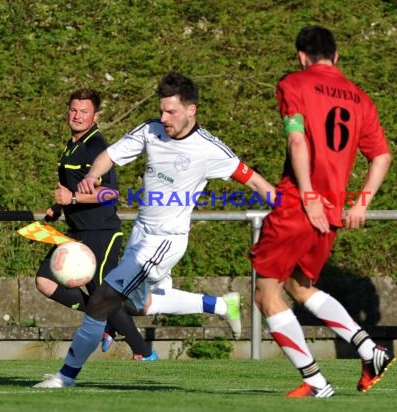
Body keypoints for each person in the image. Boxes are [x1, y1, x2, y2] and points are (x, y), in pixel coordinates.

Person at [33, 72, 275, 388]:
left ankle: (66, 377)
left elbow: (256, 181)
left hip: (165, 240)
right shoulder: (151, 130)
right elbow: (109, 155)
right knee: (137, 306)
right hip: (141, 234)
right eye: (161, 110)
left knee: (101, 298)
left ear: (192, 110)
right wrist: (92, 175)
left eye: (171, 112)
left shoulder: (210, 149)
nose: (164, 118)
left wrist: (292, 208)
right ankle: (219, 304)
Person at [250, 25, 394, 398]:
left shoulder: (293, 84)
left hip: (300, 202)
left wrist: (308, 194)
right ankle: (368, 350)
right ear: (336, 56)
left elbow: (297, 138)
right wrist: (361, 201)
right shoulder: (360, 98)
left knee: (266, 292)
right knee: (299, 286)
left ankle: (315, 381)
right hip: (330, 210)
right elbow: (381, 155)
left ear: (301, 56)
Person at [35, 89, 156, 361]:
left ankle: (144, 351)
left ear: (95, 115)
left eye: (84, 111)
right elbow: (73, 187)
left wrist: (73, 197)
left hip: (101, 233)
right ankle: (106, 322)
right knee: (44, 281)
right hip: (76, 233)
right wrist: (60, 207)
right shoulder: (72, 145)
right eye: (73, 110)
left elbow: (111, 193)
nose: (77, 116)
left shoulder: (97, 146)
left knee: (104, 294)